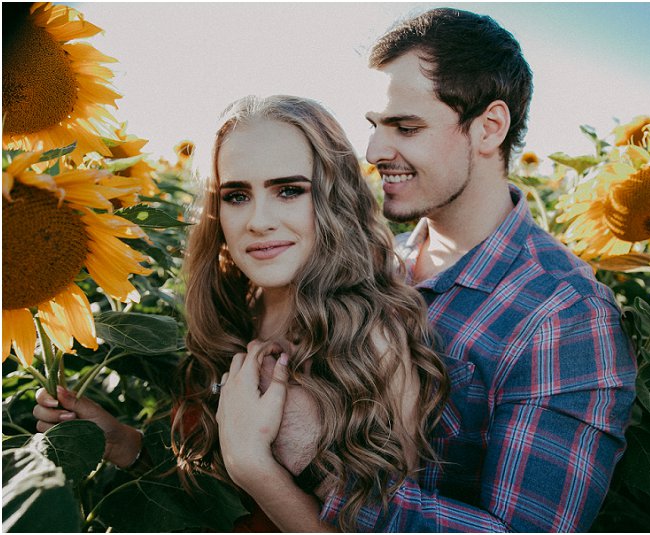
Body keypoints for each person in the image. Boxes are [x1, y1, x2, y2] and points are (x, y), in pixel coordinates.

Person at [33, 94, 450, 532]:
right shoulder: (232, 314)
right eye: (236, 196)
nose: (258, 220)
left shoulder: (370, 340)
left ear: (334, 199)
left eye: (289, 190)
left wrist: (253, 464)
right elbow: (210, 498)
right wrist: (123, 443)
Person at [306, 8, 637, 531]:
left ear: (489, 128)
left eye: (406, 127)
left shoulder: (563, 314)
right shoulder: (373, 263)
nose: (373, 151)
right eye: (374, 126)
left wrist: (313, 469)